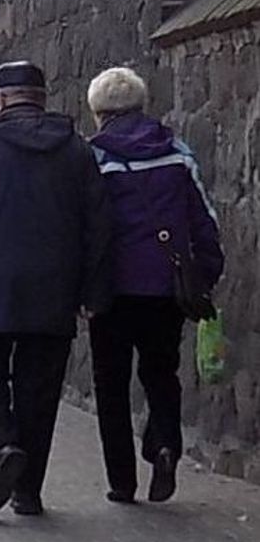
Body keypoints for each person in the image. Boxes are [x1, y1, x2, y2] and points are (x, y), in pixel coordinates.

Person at [0, 60, 111, 517]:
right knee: (40, 389)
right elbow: (99, 228)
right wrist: (93, 292)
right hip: (54, 293)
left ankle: (2, 447)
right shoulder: (75, 149)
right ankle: (27, 492)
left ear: (1, 99)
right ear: (42, 97)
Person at [85, 67, 224, 504]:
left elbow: (83, 227)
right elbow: (203, 218)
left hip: (111, 290)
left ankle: (121, 482)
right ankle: (165, 444)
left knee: (111, 384)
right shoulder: (176, 152)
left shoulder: (94, 159)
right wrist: (205, 273)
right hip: (167, 286)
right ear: (143, 105)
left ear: (98, 112)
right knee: (161, 373)